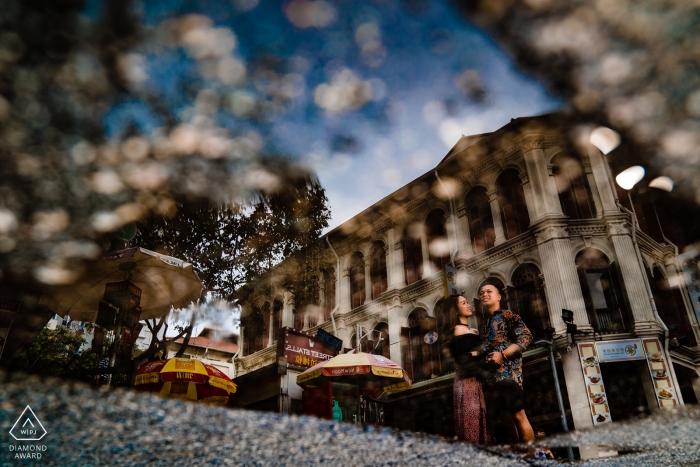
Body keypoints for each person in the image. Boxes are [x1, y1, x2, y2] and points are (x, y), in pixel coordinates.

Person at [478, 283, 535, 444]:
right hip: (492, 380)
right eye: (481, 293)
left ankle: (530, 457)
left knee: (519, 417)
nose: (484, 294)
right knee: (507, 421)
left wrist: (503, 355)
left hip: (510, 376)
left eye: (489, 291)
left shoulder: (508, 315)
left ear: (499, 296)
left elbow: (526, 337)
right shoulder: (483, 326)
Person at [441, 294, 492, 444]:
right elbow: (466, 360)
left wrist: (477, 353)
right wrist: (479, 354)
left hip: (474, 381)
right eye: (464, 302)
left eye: (467, 301)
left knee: (479, 423)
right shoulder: (458, 330)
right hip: (468, 383)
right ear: (455, 310)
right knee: (472, 425)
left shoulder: (471, 330)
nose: (468, 305)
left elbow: (474, 355)